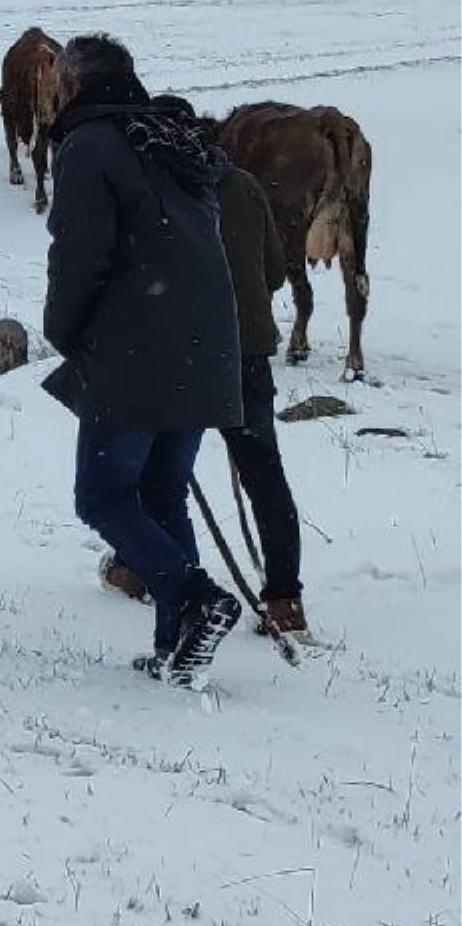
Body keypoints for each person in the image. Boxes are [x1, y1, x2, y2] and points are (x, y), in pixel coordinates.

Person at [42, 34, 244, 683]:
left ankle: (193, 600)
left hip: (134, 344)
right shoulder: (171, 140)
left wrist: (64, 330)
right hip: (207, 341)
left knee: (102, 494)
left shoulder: (90, 146)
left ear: (72, 86)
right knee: (162, 492)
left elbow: (79, 253)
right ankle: (176, 649)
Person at [105, 96, 308, 636]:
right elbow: (275, 271)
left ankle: (161, 578)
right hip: (247, 353)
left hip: (183, 355)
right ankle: (285, 599)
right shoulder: (242, 185)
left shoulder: (156, 191)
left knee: (162, 477)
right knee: (264, 475)